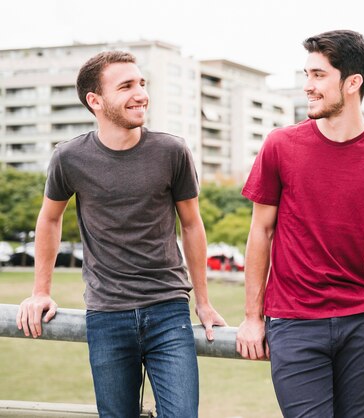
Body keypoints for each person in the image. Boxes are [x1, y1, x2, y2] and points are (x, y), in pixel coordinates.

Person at [16, 50, 226, 417]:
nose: (141, 93)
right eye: (126, 86)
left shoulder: (172, 150)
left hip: (168, 310)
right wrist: (40, 292)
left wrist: (203, 302)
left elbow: (191, 224)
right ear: (95, 101)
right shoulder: (69, 157)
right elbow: (49, 220)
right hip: (106, 314)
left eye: (142, 83)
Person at [236, 30, 364, 417]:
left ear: (352, 83)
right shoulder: (279, 145)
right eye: (307, 74)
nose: (307, 86)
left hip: (361, 322)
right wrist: (252, 317)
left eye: (319, 76)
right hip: (294, 321)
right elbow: (261, 232)